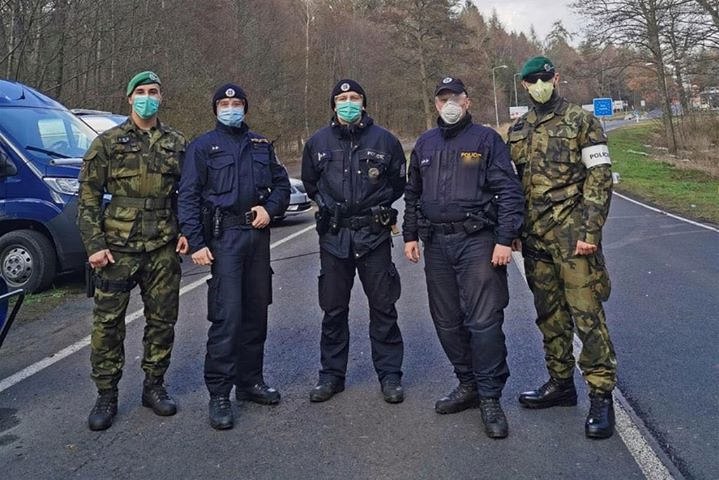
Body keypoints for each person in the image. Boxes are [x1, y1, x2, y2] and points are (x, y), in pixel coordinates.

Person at [403, 77, 524, 439]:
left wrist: (504, 239)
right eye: (443, 99)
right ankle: (467, 383)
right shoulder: (425, 143)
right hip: (437, 244)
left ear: (467, 101)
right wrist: (410, 234)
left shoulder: (486, 140)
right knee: (446, 320)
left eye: (455, 97)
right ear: (436, 105)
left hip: (478, 242)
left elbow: (509, 191)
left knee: (483, 321)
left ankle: (489, 396)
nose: (449, 104)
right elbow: (412, 193)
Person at [507, 56, 617, 439]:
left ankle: (601, 395)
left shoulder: (582, 121)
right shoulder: (518, 129)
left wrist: (590, 231)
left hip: (574, 238)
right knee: (550, 317)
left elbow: (599, 178)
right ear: (524, 85)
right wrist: (514, 229)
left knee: (587, 316)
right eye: (532, 80)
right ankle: (561, 383)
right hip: (534, 239)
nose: (539, 84)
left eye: (544, 77)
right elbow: (512, 186)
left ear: (556, 78)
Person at [78, 71, 188, 431]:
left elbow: (188, 194)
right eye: (140, 92)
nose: (147, 98)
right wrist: (95, 245)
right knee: (108, 325)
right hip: (117, 249)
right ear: (129, 98)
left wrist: (187, 232)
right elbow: (88, 197)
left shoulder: (176, 143)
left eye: (153, 91)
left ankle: (154, 386)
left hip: (162, 246)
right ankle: (106, 394)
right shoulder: (107, 143)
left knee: (162, 320)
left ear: (161, 97)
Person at [178, 83, 290, 430]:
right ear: (215, 109)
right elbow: (188, 196)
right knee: (227, 317)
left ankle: (250, 381)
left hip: (256, 236)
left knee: (256, 312)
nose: (231, 108)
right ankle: (219, 393)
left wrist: (271, 209)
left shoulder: (261, 144)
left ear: (245, 107)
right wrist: (196, 242)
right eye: (224, 104)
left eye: (237, 103)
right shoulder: (202, 147)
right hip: (223, 238)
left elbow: (282, 185)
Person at [301, 79, 406, 404]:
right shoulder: (317, 142)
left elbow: (398, 183)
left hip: (373, 235)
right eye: (342, 98)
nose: (348, 103)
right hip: (334, 237)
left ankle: (390, 375)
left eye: (354, 97)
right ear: (333, 104)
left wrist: (377, 207)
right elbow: (310, 183)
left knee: (383, 307)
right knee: (333, 309)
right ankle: (331, 376)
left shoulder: (385, 140)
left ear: (364, 102)